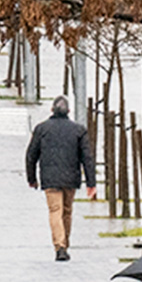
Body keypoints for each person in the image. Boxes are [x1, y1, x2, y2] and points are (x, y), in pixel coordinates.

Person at [24, 97, 96, 261]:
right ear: (68, 111)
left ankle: (60, 246)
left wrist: (32, 178)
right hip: (71, 178)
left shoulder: (41, 129)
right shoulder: (79, 130)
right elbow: (87, 158)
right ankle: (64, 245)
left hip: (50, 178)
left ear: (52, 110)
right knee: (67, 211)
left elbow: (31, 155)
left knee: (55, 211)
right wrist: (91, 183)